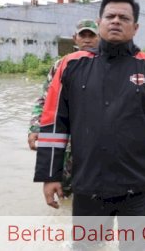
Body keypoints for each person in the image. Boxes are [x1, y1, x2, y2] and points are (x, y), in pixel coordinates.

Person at [34, 0, 145, 216]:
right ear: (100, 23)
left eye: (124, 18)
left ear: (135, 28)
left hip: (140, 185)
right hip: (88, 184)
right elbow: (54, 123)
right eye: (110, 16)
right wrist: (50, 175)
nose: (116, 21)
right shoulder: (71, 66)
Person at [27, 19, 100, 197]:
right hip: (67, 139)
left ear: (100, 38)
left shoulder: (109, 65)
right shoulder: (61, 65)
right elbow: (45, 99)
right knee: (64, 191)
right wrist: (35, 127)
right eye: (83, 35)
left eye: (92, 35)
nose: (87, 40)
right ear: (75, 38)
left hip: (98, 142)